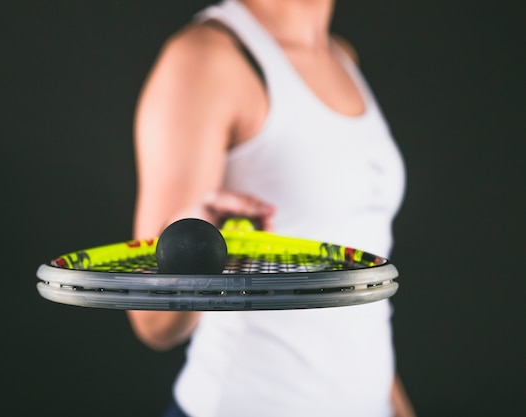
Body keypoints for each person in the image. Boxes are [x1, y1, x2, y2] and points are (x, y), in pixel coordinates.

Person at [127, 0, 416, 416]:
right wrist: (202, 249)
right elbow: (150, 321)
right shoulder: (208, 57)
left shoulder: (340, 56)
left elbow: (359, 302)